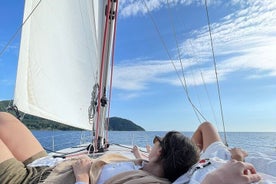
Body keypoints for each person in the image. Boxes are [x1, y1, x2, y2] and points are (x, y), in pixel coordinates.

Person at [0, 112, 199, 184]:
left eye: (158, 140)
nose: (154, 143)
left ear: (160, 151)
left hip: (38, 180)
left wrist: (82, 178)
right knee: (5, 119)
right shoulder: (142, 165)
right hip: (54, 167)